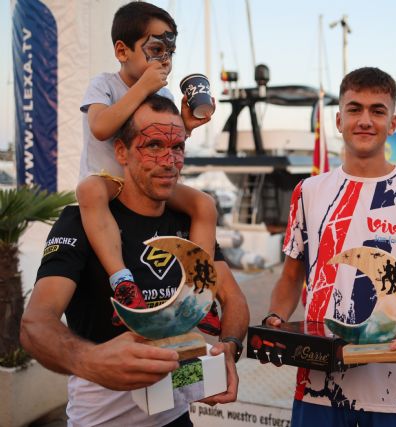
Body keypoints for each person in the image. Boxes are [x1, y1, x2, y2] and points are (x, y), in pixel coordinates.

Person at [21, 95, 249, 427]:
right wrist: (90, 359)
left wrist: (230, 345)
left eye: (177, 148)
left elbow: (233, 297)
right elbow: (35, 324)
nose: (169, 161)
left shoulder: (188, 221)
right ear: (122, 152)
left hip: (177, 414)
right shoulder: (80, 222)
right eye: (153, 145)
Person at [263, 67, 396, 427]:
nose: (365, 120)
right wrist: (274, 323)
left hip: (394, 388)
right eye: (355, 109)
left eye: (377, 111)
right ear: (338, 119)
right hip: (316, 384)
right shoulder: (308, 191)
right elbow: (290, 276)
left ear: (393, 123)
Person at [75, 1, 219, 332]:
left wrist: (187, 124)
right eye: (155, 48)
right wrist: (143, 88)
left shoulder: (164, 92)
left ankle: (200, 291)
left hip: (147, 182)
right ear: (122, 51)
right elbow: (100, 127)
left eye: (170, 50)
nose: (165, 59)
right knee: (89, 189)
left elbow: (165, 141)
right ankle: (123, 284)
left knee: (204, 204)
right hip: (111, 179)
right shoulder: (104, 84)